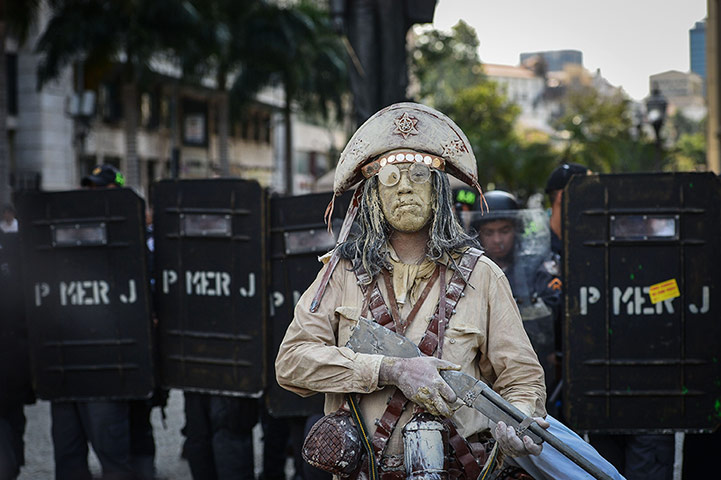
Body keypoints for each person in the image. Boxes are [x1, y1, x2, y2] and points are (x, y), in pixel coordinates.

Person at [275, 103, 623, 480]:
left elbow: (522, 380)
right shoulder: (340, 273)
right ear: (374, 194)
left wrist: (517, 425)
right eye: (391, 177)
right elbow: (292, 364)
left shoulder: (483, 276)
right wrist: (390, 369)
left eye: (419, 174)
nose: (405, 186)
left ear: (438, 189)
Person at [51, 163, 154, 480]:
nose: (92, 195)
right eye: (90, 188)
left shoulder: (133, 237)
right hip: (72, 359)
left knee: (119, 453)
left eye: (100, 188)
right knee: (69, 455)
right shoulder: (74, 233)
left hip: (117, 362)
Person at [329, 0, 437, 126]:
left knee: (392, 69)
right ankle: (366, 129)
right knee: (363, 67)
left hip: (392, 6)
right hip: (360, 5)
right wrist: (338, 11)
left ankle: (391, 125)